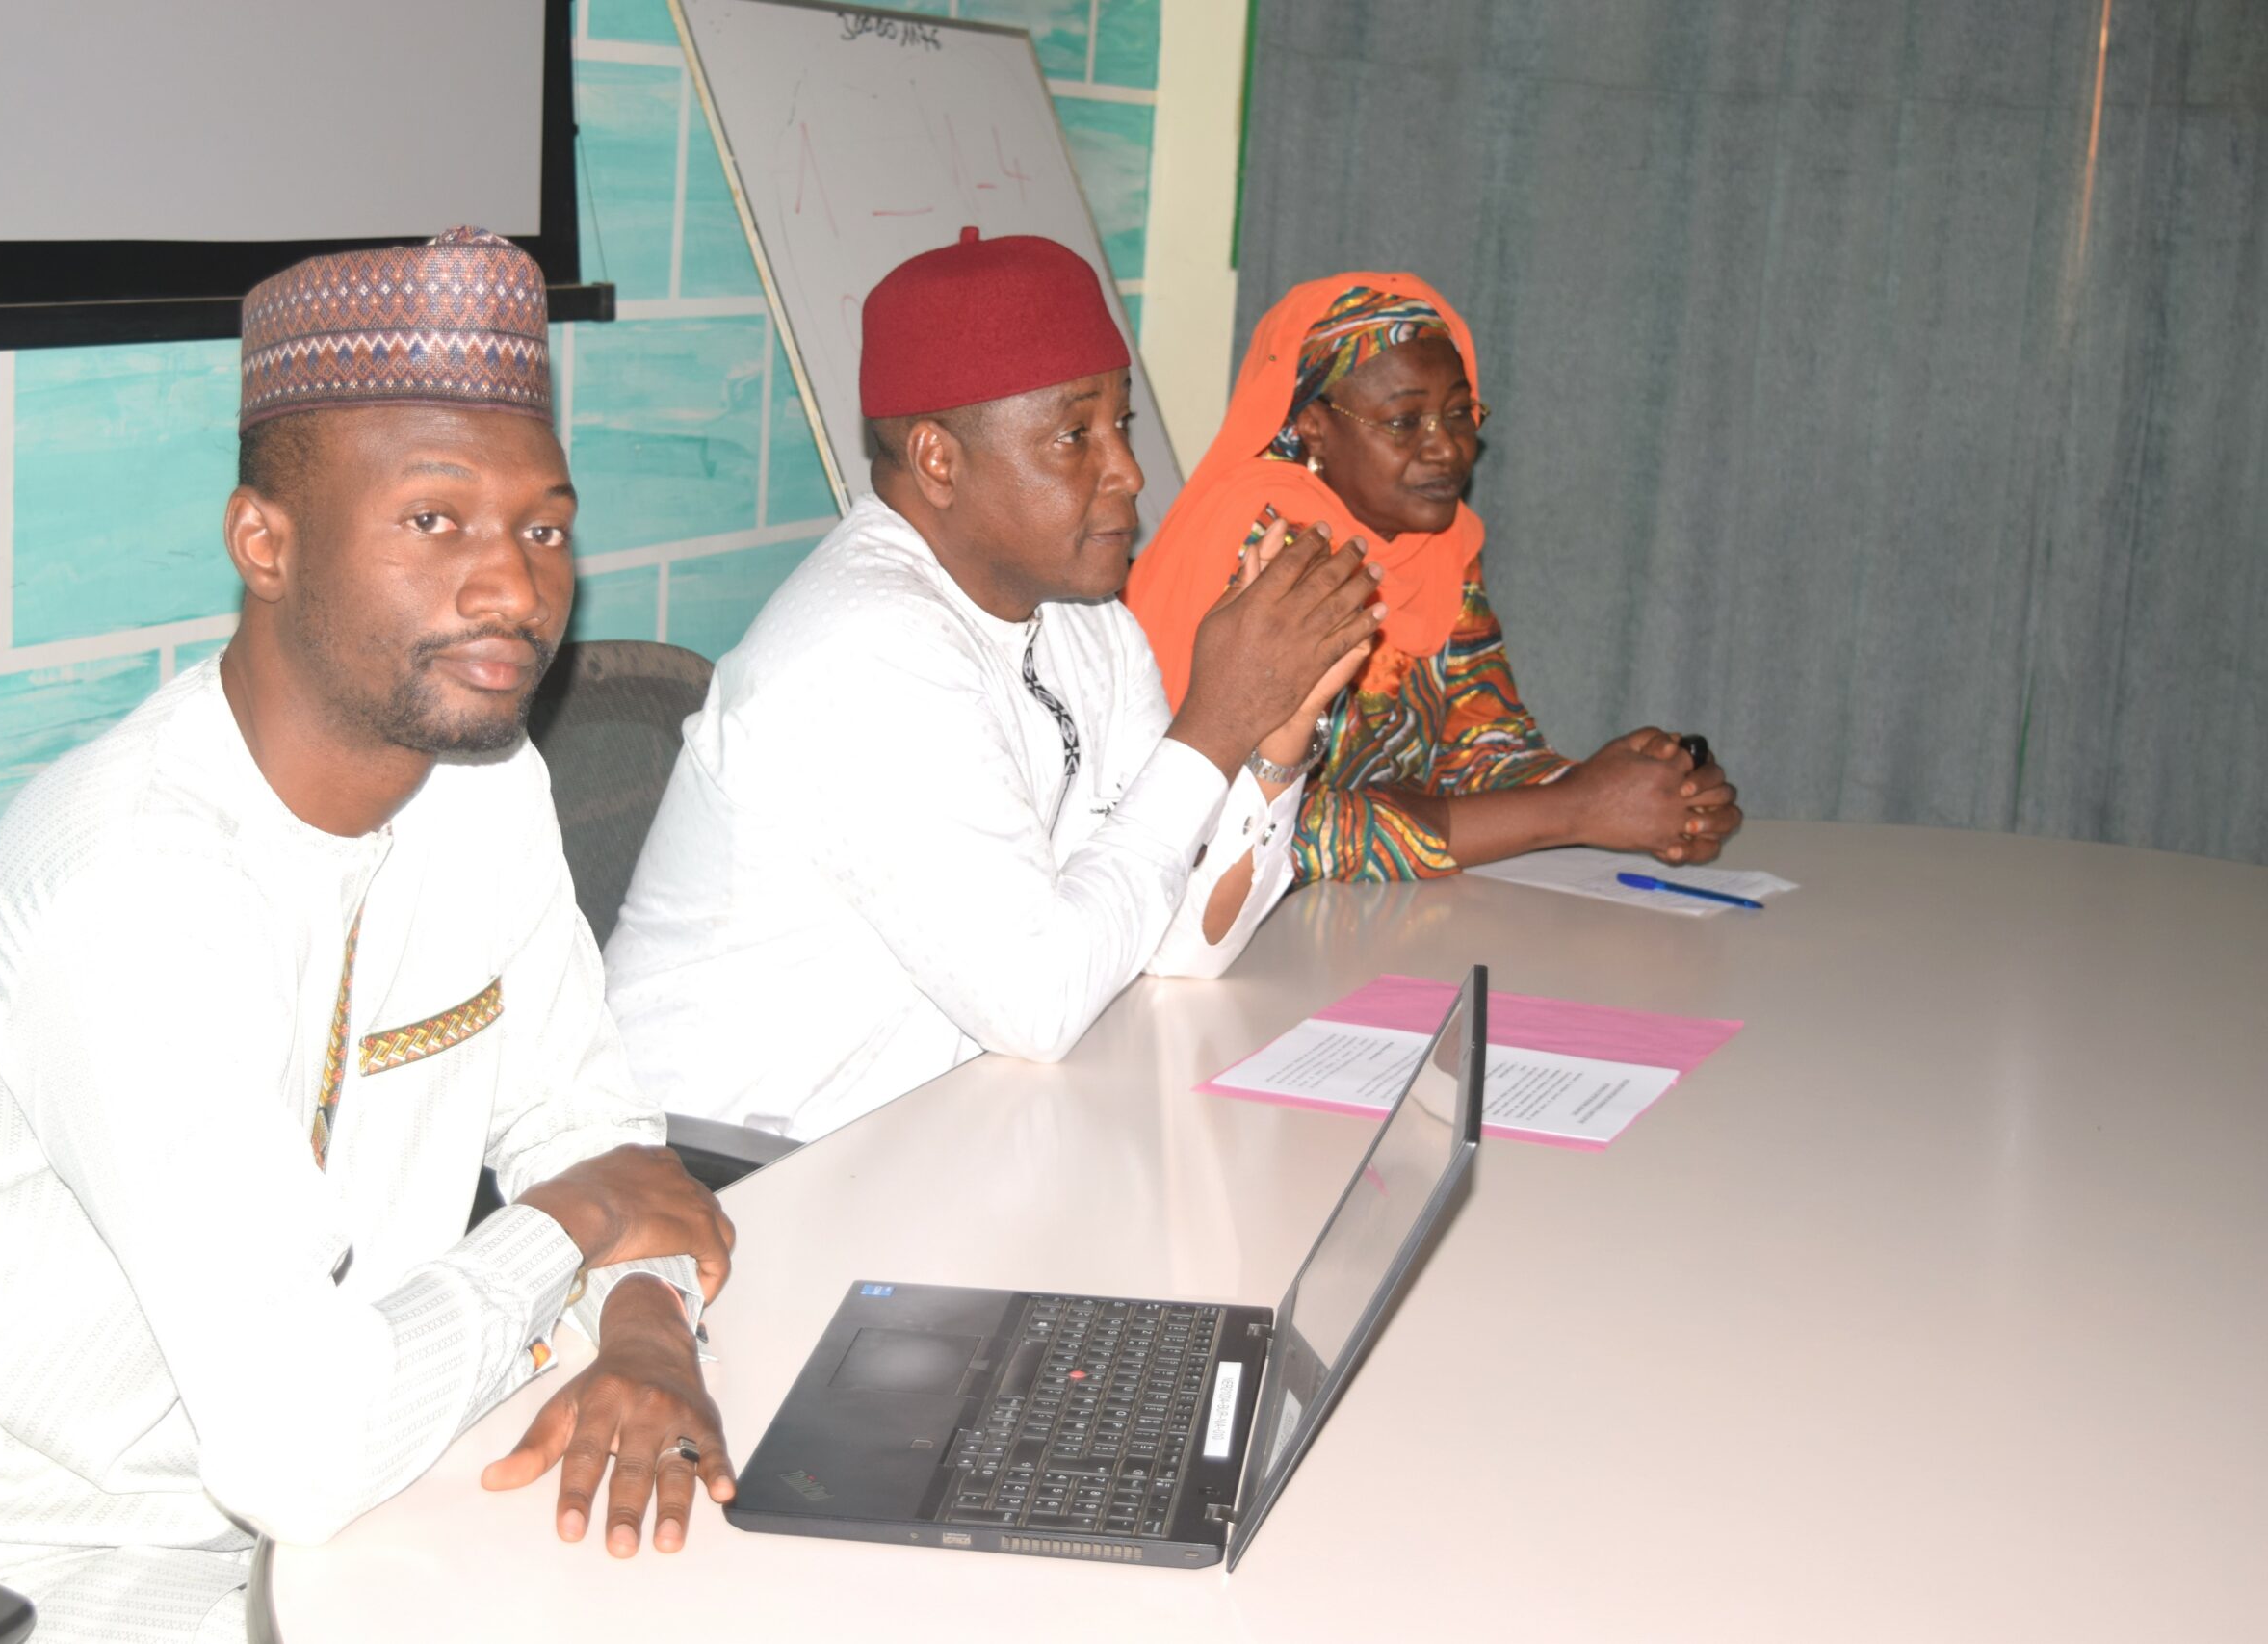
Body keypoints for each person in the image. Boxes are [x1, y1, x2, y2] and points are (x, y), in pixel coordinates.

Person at [0, 230, 736, 1643]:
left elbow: (596, 1128)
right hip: (11, 1570)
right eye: (434, 520)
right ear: (266, 542)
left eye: (543, 528)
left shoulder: (483, 778)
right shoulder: (129, 881)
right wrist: (571, 1225)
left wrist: (650, 1334)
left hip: (344, 1490)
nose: (512, 586)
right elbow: (311, 1439)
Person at [606, 229, 1380, 1142]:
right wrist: (1216, 722)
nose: (1128, 471)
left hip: (921, 1137)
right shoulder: (864, 644)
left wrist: (1279, 731)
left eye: (1122, 425)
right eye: (1074, 436)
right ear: (939, 460)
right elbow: (1040, 1000)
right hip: (717, 1170)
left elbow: (1176, 945)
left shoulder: (1090, 625)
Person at [1125, 274, 1742, 881]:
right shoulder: (1266, 553)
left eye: (1458, 414)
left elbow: (1476, 750)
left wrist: (1639, 792)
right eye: (1403, 422)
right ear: (1313, 426)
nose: (1447, 448)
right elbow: (1245, 825)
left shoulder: (1438, 543)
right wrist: (1574, 810)